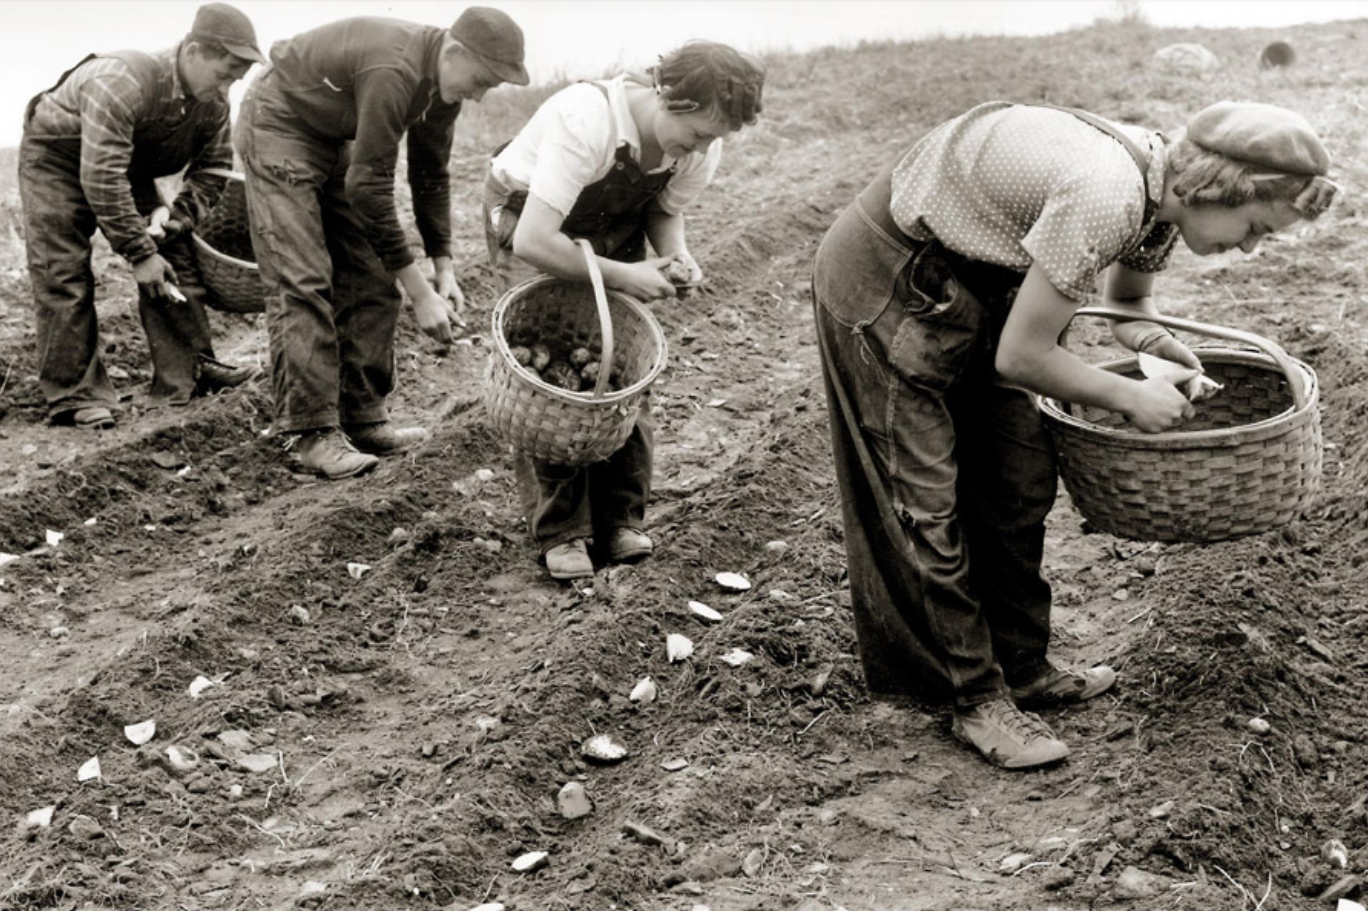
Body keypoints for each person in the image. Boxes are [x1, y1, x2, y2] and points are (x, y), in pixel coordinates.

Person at [811, 100, 1337, 769]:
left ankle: (1022, 665)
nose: (1251, 246)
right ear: (1218, 189)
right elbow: (1023, 358)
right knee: (921, 500)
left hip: (980, 282)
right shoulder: (1106, 192)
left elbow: (1128, 304)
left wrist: (1159, 349)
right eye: (1255, 226)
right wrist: (1126, 395)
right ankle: (970, 697)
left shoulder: (1160, 196)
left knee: (1019, 475)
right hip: (893, 276)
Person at [482, 41, 765, 580]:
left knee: (622, 366)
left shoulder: (701, 145)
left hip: (610, 219)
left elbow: (661, 209)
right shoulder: (585, 120)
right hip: (531, 218)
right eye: (698, 133)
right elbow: (536, 242)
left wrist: (674, 256)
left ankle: (620, 518)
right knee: (552, 373)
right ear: (669, 99)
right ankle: (562, 528)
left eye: (713, 138)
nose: (699, 149)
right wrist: (626, 275)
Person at [233, 8, 529, 480]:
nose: (478, 95)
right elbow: (368, 188)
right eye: (482, 80)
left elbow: (431, 174)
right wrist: (419, 292)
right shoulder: (395, 69)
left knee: (372, 272)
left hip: (332, 135)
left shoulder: (441, 84)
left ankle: (362, 417)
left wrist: (443, 269)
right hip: (279, 123)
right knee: (303, 278)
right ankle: (311, 434)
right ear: (454, 53)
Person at [18, 2, 264, 430]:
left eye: (235, 79)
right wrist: (138, 252)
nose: (227, 86)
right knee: (64, 270)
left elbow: (215, 168)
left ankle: (189, 371)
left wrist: (178, 218)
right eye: (223, 73)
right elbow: (100, 177)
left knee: (172, 248)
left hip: (123, 164)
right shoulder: (120, 80)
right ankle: (75, 394)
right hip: (58, 161)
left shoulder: (213, 102)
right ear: (192, 52)